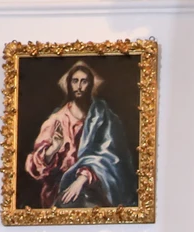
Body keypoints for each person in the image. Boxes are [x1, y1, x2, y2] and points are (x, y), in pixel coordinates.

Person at [25, 60, 135, 209]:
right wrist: (53, 149)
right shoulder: (57, 120)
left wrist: (82, 178)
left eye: (84, 81)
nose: (79, 86)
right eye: (75, 81)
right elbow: (35, 167)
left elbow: (112, 157)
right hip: (62, 189)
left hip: (98, 186)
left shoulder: (104, 116)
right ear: (69, 85)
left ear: (91, 85)